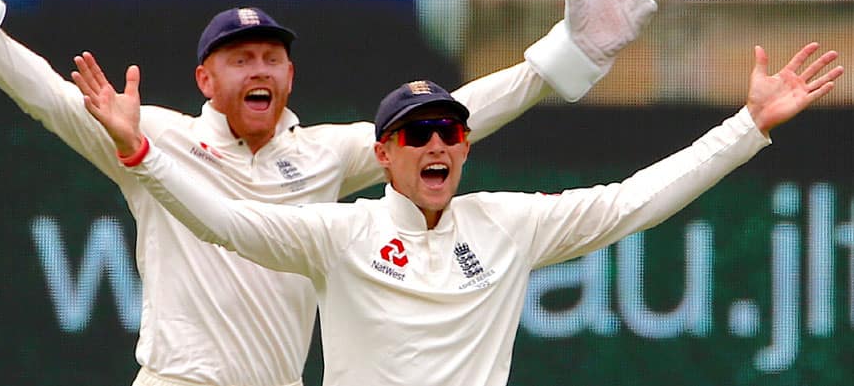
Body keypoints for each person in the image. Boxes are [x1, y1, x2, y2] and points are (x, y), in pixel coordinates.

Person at [0, 0, 658, 386]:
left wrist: (564, 54)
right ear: (206, 77)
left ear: (292, 74)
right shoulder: (155, 137)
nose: (259, 67)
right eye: (240, 58)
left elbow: (451, 120)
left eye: (271, 56)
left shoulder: (327, 155)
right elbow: (44, 93)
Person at [75, 41, 841, 386]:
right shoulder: (339, 233)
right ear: (383, 155)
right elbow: (225, 223)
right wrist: (142, 154)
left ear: (465, 148)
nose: (436, 143)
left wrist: (748, 126)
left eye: (450, 131)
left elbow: (634, 200)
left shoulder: (507, 223)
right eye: (417, 134)